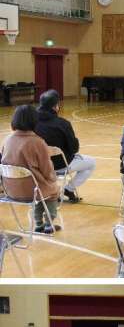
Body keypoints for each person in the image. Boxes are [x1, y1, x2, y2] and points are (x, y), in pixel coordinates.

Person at [1, 104, 60, 235]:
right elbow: (47, 170)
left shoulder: (7, 140)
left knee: (41, 190)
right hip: (33, 190)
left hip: (11, 191)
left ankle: (38, 223)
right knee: (53, 191)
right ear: (34, 121)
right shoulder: (37, 142)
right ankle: (48, 224)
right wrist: (52, 179)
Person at [35, 90, 96, 203]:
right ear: (55, 107)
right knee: (91, 163)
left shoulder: (31, 123)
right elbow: (74, 148)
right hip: (60, 165)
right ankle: (69, 189)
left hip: (38, 165)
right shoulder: (63, 124)